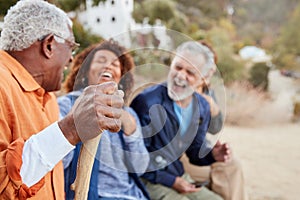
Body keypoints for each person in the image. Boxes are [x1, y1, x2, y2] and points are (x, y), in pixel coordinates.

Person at [0, 1, 123, 199]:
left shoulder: (48, 99)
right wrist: (70, 129)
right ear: (49, 45)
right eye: (71, 49)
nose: (71, 60)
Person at [131, 41, 229, 200]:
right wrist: (171, 181)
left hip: (178, 175)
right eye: (178, 67)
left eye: (190, 72)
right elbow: (135, 156)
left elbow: (195, 151)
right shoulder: (146, 102)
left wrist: (212, 155)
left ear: (202, 79)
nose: (181, 75)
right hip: (148, 180)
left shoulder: (202, 106)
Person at [58, 39, 150, 199]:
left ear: (121, 78)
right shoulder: (67, 105)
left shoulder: (129, 114)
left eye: (115, 64)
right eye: (101, 60)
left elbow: (140, 168)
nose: (108, 66)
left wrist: (131, 131)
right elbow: (58, 164)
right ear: (85, 71)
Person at [180, 41, 248, 200]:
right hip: (181, 155)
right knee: (224, 173)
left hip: (200, 150)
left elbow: (215, 128)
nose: (210, 71)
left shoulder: (207, 92)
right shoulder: (180, 88)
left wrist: (212, 106)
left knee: (234, 164)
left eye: (212, 68)